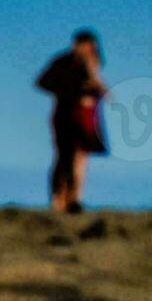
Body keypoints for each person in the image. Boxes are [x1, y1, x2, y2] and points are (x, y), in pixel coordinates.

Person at [36, 29, 108, 214]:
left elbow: (95, 86)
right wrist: (71, 92)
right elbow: (42, 82)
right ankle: (58, 199)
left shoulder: (94, 63)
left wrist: (98, 90)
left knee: (81, 157)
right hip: (65, 114)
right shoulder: (62, 62)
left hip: (87, 115)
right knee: (64, 157)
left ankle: (74, 199)